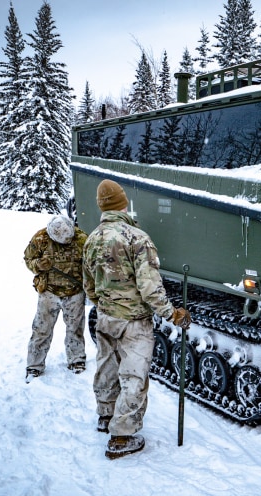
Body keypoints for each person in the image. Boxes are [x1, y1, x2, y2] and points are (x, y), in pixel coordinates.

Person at [83, 179, 191, 459]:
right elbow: (149, 286)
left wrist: (106, 304)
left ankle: (106, 417)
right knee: (133, 375)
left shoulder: (92, 238)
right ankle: (122, 436)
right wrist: (172, 313)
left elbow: (89, 285)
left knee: (106, 368)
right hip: (134, 321)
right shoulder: (137, 238)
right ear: (123, 203)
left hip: (105, 317)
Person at [23, 215, 88, 382]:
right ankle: (34, 366)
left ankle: (76, 361)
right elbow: (28, 259)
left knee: (75, 329)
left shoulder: (82, 239)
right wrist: (38, 265)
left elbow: (92, 264)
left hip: (74, 292)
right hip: (49, 292)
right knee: (41, 330)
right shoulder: (41, 238)